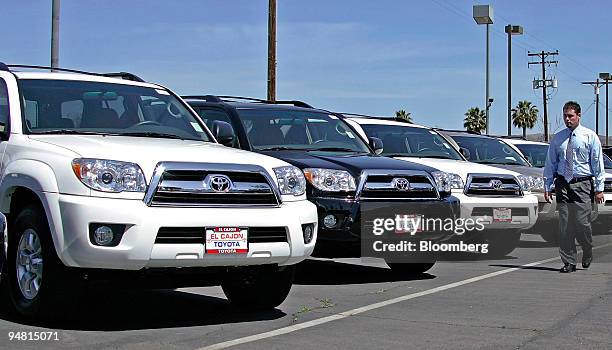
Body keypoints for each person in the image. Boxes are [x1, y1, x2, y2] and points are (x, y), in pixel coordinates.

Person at [543, 101, 605, 273]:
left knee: (582, 222)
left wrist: (599, 189)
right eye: (565, 116)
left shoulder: (589, 136)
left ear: (578, 116)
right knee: (565, 224)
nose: (567, 119)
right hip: (563, 183)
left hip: (583, 184)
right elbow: (551, 163)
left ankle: (587, 248)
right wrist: (548, 185)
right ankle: (569, 261)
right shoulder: (558, 138)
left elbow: (597, 163)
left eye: (570, 116)